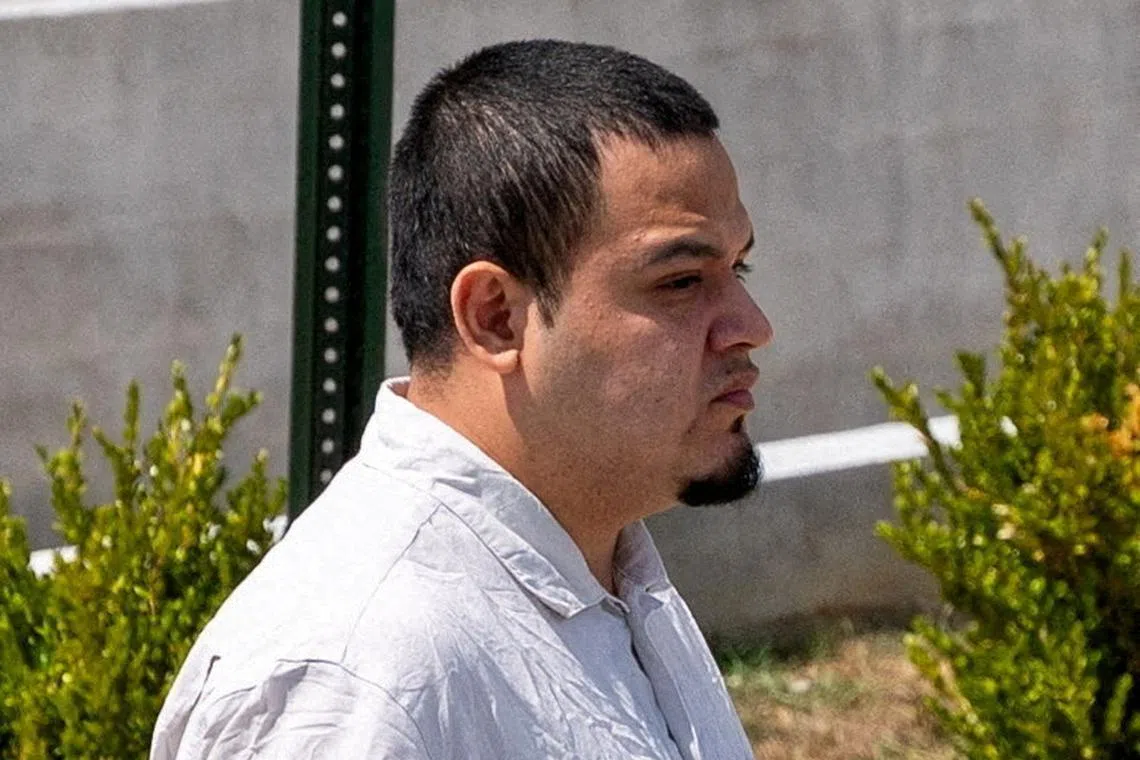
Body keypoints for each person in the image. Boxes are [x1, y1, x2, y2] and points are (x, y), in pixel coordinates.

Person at [151, 38, 772, 760]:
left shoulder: (614, 573)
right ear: (495, 317)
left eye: (739, 267)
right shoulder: (358, 675)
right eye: (681, 282)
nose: (751, 327)